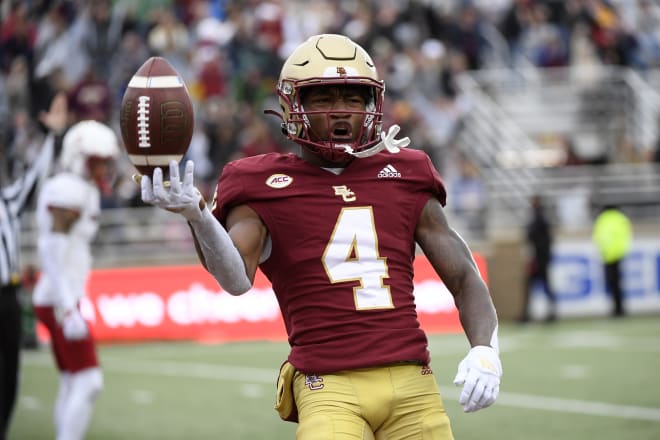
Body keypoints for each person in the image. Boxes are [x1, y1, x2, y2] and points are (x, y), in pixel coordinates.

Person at [141, 34, 502, 439]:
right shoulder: (259, 181)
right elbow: (236, 281)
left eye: (353, 99)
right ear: (292, 105)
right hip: (327, 384)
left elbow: (464, 275)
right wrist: (199, 216)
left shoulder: (406, 171)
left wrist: (485, 349)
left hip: (411, 380)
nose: (341, 112)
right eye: (323, 98)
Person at [32, 119, 119, 440]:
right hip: (59, 298)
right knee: (89, 381)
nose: (104, 169)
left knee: (72, 379)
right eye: (98, 161)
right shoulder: (68, 188)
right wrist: (68, 308)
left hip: (58, 296)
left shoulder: (79, 188)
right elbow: (50, 249)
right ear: (80, 157)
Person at [0, 92, 66, 440]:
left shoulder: (6, 201)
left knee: (11, 371)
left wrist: (52, 136)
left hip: (7, 295)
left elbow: (35, 178)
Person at [519, 195, 557, 322]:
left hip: (538, 259)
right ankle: (549, 312)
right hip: (541, 258)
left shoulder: (538, 218)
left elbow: (536, 238)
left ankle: (528, 314)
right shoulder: (541, 217)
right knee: (543, 286)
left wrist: (537, 257)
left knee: (533, 286)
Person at [592, 204, 633, 317]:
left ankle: (616, 308)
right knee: (617, 284)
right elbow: (626, 236)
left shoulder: (602, 219)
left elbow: (598, 237)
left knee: (612, 284)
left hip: (607, 256)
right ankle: (619, 308)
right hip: (618, 255)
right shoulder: (621, 218)